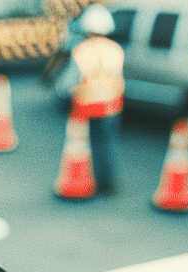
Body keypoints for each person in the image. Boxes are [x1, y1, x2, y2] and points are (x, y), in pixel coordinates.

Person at [67, 4, 125, 194]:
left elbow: (72, 81)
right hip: (112, 104)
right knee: (108, 144)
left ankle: (93, 180)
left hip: (88, 105)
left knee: (91, 144)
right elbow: (119, 79)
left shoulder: (81, 50)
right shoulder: (115, 49)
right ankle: (108, 182)